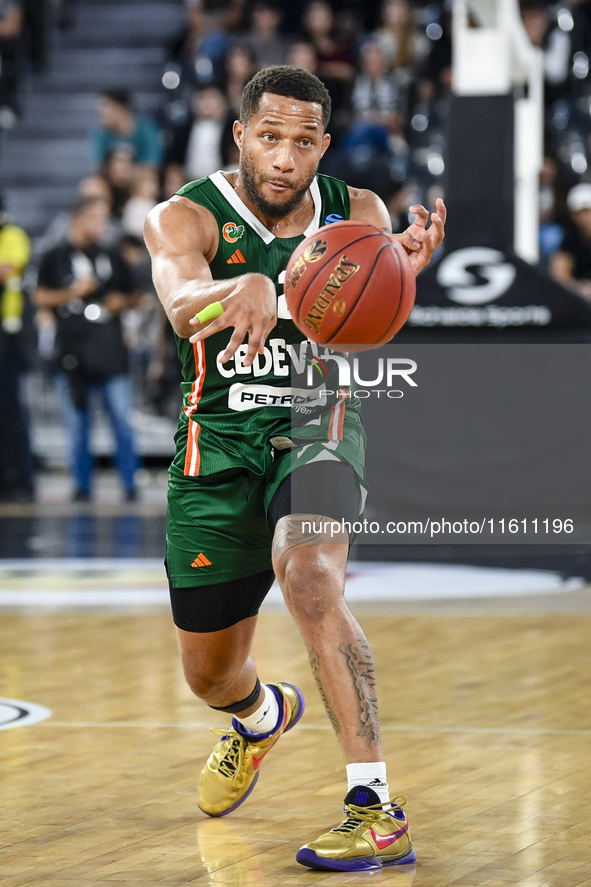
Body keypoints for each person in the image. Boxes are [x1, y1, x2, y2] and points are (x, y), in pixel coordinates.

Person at [144, 65, 445, 871]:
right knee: (209, 675)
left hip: (318, 418)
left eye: (303, 141)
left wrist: (398, 272)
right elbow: (178, 301)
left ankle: (375, 806)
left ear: (322, 146)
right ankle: (258, 715)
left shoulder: (360, 214)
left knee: (310, 576)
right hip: (217, 447)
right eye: (269, 137)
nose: (284, 156)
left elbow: (366, 325)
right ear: (241, 135)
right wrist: (231, 287)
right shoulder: (184, 216)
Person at [34, 196, 139, 502]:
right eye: (96, 217)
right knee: (78, 424)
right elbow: (39, 297)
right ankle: (82, 486)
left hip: (109, 351)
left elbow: (136, 294)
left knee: (122, 419)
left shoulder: (111, 255)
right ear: (77, 219)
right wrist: (72, 292)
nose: (102, 225)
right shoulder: (54, 255)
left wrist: (123, 302)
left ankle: (129, 484)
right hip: (72, 353)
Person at [0, 195, 34, 501]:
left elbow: (6, 270)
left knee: (10, 408)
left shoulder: (13, 235)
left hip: (8, 338)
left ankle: (21, 476)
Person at [90, 89, 163, 169]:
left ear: (121, 108)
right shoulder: (99, 133)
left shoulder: (148, 130)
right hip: (112, 178)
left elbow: (152, 165)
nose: (101, 117)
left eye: (105, 111)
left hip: (141, 177)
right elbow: (97, 166)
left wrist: (126, 172)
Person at [549, 182, 591, 299]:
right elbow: (559, 271)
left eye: (586, 211)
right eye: (576, 213)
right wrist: (579, 288)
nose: (582, 218)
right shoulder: (571, 235)